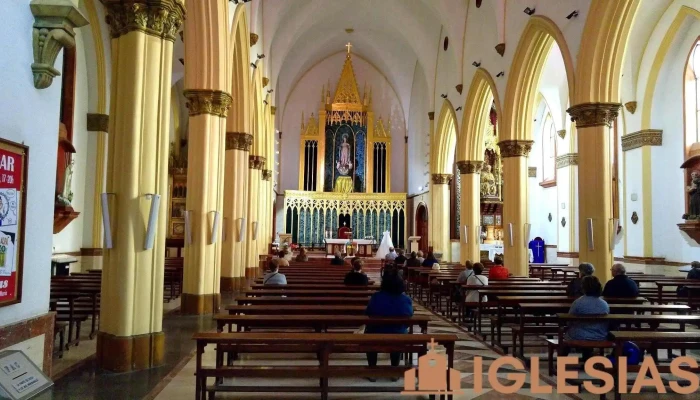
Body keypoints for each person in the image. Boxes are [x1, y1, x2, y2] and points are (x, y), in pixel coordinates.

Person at [365, 273, 413, 380]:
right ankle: (394, 370)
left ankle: (372, 369)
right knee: (398, 336)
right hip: (397, 333)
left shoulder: (376, 297)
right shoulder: (405, 299)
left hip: (376, 332)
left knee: (370, 335)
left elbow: (368, 312)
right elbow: (409, 314)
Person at [566, 276, 610, 359]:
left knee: (567, 333)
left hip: (579, 335)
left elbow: (569, 320)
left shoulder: (578, 302)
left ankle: (561, 360)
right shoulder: (604, 304)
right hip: (599, 335)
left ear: (583, 288)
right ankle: (587, 357)